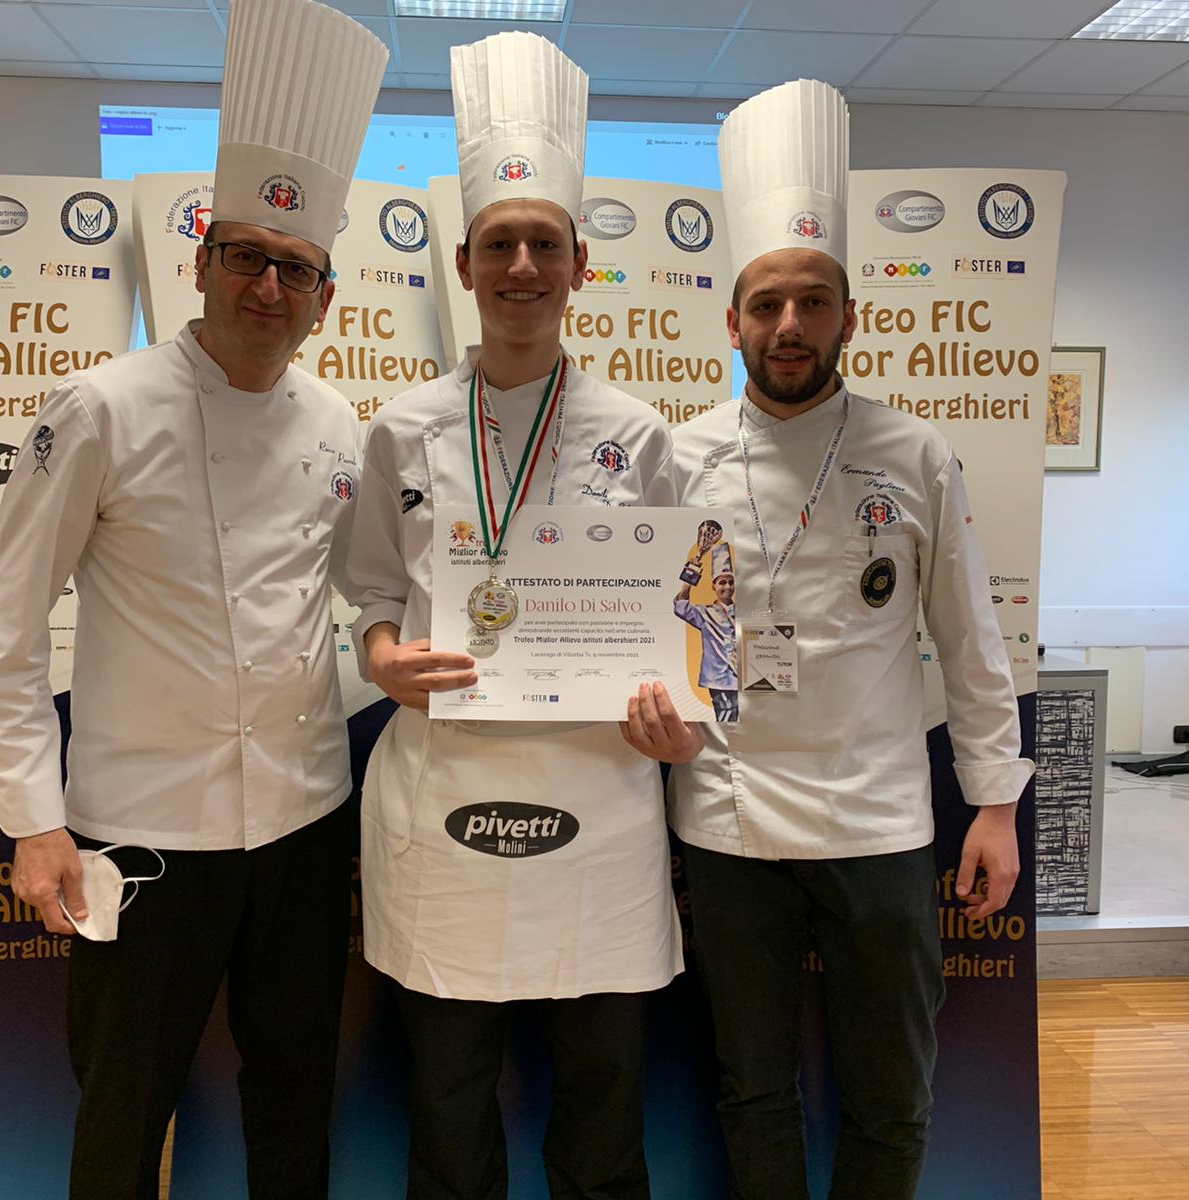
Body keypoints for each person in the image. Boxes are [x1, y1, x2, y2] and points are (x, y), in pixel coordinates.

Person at [0, 3, 387, 1195]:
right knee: (123, 1102)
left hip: (302, 822)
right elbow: (3, 626)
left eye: (295, 268)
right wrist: (33, 821)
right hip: (140, 831)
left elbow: (369, 589)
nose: (268, 285)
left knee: (294, 1094)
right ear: (199, 262)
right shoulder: (99, 409)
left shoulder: (338, 422)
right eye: (246, 256)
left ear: (325, 298)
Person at [344, 31, 701, 1200]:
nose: (521, 265)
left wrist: (681, 718)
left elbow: (692, 618)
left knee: (601, 1087)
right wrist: (382, 658)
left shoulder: (638, 433)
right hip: (445, 792)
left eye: (544, 243)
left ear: (579, 265)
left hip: (598, 801)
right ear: (463, 264)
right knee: (448, 1091)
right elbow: (372, 593)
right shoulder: (400, 428)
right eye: (499, 243)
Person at [668, 78, 1035, 1199]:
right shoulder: (676, 458)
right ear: (733, 321)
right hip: (728, 813)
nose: (789, 325)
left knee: (892, 1090)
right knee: (751, 1087)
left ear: (848, 318)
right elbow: (656, 633)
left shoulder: (914, 453)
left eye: (813, 302)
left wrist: (994, 805)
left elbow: (969, 638)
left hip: (878, 818)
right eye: (767, 303)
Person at [674, 541, 739, 722]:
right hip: (719, 679)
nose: (727, 586)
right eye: (722, 582)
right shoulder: (705, 613)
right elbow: (681, 606)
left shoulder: (743, 613)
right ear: (713, 586)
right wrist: (693, 568)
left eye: (730, 582)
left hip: (743, 679)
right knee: (727, 718)